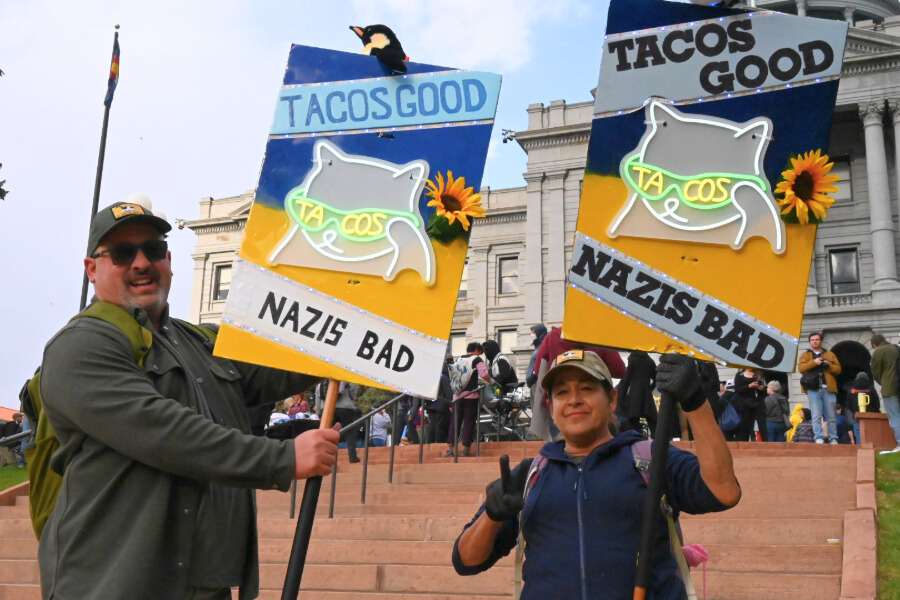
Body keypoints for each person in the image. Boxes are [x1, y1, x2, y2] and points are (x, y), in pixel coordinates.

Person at [38, 201, 340, 600]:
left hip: (205, 586)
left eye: (154, 249)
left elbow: (285, 361)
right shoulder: (80, 345)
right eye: (123, 253)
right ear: (93, 269)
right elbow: (163, 431)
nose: (142, 262)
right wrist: (281, 459)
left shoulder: (201, 341)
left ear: (169, 259)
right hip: (116, 584)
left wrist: (355, 334)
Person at [452, 350, 740, 599]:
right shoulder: (529, 475)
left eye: (587, 388)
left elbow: (723, 491)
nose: (574, 400)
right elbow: (466, 561)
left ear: (612, 400)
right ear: (551, 408)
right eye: (562, 392)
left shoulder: (649, 458)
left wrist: (694, 402)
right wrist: (493, 515)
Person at [445, 342, 490, 458]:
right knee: (469, 421)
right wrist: (490, 381)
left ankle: (450, 448)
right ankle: (465, 449)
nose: (480, 354)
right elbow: (484, 374)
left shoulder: (459, 359)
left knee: (455, 421)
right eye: (480, 352)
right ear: (477, 350)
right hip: (471, 395)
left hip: (457, 396)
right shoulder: (477, 359)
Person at [798, 332, 842, 444]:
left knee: (831, 415)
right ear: (810, 342)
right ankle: (818, 437)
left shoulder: (830, 354)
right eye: (812, 340)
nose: (815, 341)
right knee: (816, 414)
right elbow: (801, 368)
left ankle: (833, 437)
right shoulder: (805, 354)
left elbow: (838, 369)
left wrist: (828, 366)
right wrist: (814, 362)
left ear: (821, 341)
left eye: (817, 339)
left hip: (828, 387)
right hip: (813, 389)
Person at [615, 351, 657, 435]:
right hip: (647, 396)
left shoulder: (633, 359)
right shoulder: (650, 361)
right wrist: (650, 388)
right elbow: (656, 379)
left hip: (635, 396)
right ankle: (657, 445)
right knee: (654, 422)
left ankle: (635, 443)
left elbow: (626, 379)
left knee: (633, 422)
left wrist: (621, 396)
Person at [871, 334, 900, 453]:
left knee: (894, 416)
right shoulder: (896, 348)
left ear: (874, 345)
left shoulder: (879, 352)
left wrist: (883, 383)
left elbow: (876, 373)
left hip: (889, 388)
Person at [727, 368, 766, 442]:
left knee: (758, 427)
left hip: (755, 404)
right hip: (742, 406)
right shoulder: (739, 375)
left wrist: (761, 389)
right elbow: (738, 390)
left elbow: (763, 393)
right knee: (743, 429)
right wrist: (749, 386)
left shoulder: (759, 374)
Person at [332, 381, 362, 462]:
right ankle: (352, 457)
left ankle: (325, 456)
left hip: (329, 406)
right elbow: (353, 385)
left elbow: (318, 390)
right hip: (345, 407)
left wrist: (319, 410)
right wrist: (352, 397)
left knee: (326, 432)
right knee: (350, 432)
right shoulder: (345, 370)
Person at [524, 324, 547, 388]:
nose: (532, 335)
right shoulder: (538, 347)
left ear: (539, 333)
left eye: (534, 332)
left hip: (537, 383)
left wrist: (533, 375)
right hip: (534, 383)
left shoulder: (542, 347)